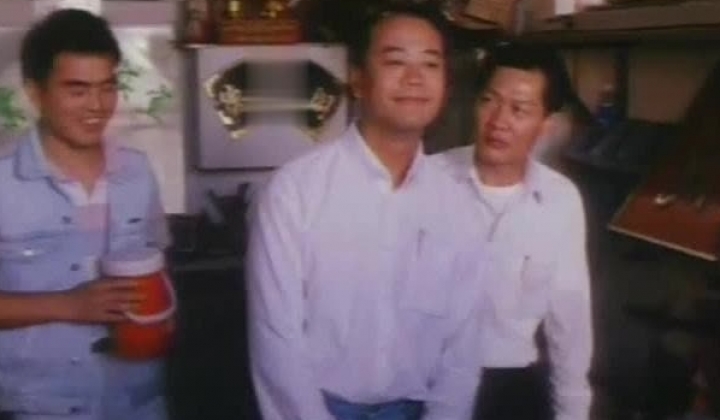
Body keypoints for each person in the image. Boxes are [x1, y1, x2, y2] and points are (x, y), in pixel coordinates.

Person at [246, 3, 490, 420]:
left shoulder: (459, 203)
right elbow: (277, 342)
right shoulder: (294, 191)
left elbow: (462, 349)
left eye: (430, 64)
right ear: (357, 79)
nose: (415, 78)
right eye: (395, 61)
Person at [0, 9, 170, 420]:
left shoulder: (137, 173)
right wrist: (68, 305)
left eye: (107, 87)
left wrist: (160, 317)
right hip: (37, 407)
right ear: (36, 92)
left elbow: (158, 264)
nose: (97, 106)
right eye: (77, 90)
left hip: (137, 402)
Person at [431, 44, 594, 420]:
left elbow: (570, 322)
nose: (499, 121)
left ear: (545, 125)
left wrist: (573, 413)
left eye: (519, 109)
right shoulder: (428, 181)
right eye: (489, 101)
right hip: (428, 380)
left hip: (511, 386)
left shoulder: (559, 199)